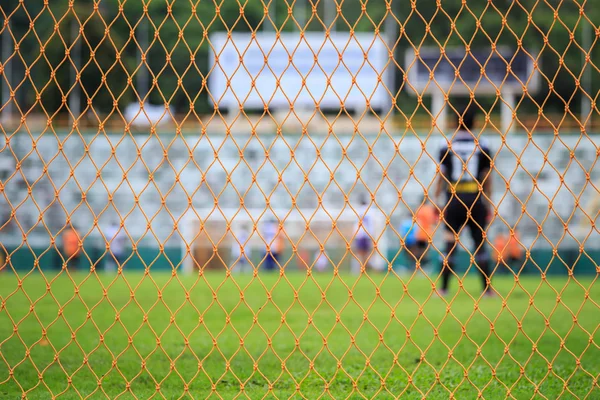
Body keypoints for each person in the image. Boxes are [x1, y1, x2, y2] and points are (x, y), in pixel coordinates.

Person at [434, 105, 494, 297]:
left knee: (449, 245)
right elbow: (487, 175)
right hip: (475, 198)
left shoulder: (447, 144)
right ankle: (487, 290)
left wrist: (436, 199)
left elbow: (442, 175)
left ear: (454, 122)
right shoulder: (482, 144)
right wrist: (488, 201)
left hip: (454, 199)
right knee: (480, 246)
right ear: (475, 123)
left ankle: (443, 288)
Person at [352, 195, 373, 274]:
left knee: (360, 252)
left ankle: (362, 268)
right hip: (367, 234)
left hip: (360, 234)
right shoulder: (369, 211)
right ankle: (365, 268)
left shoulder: (359, 211)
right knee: (366, 253)